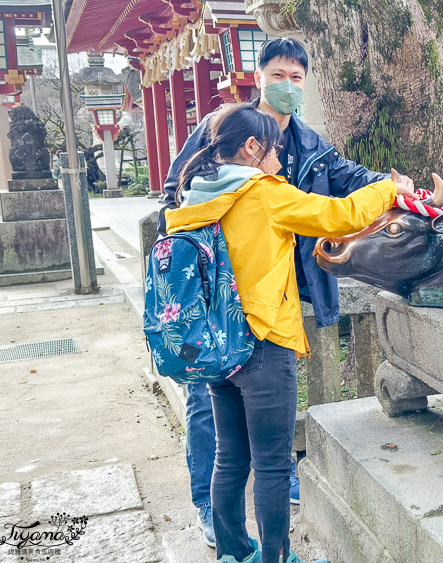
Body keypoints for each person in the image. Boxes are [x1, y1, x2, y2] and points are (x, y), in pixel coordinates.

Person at [156, 38, 415, 547]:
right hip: (263, 333)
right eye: (280, 75)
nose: (280, 156)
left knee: (233, 455)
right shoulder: (263, 188)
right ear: (252, 148)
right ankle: (271, 554)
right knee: (271, 463)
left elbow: (341, 176)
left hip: (215, 330)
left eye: (298, 78)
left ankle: (233, 550)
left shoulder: (200, 194)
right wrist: (392, 189)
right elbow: (338, 214)